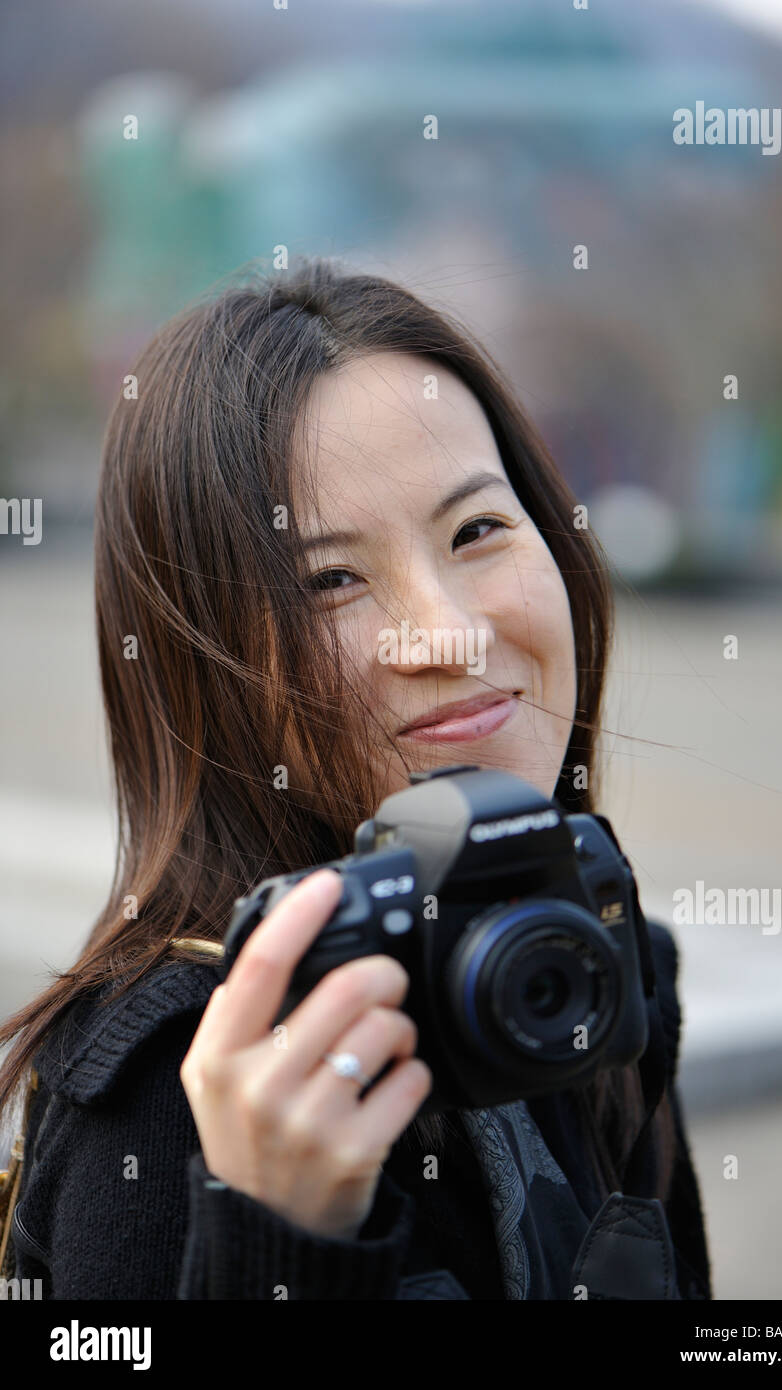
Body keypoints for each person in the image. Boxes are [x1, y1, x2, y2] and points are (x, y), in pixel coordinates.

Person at [0, 258, 712, 1300]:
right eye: (330, 581)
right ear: (198, 659)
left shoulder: (583, 951)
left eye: (477, 530)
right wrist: (279, 1237)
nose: (452, 634)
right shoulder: (182, 1082)